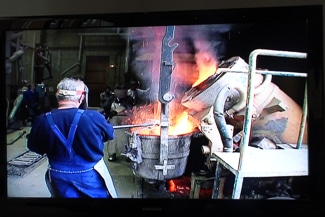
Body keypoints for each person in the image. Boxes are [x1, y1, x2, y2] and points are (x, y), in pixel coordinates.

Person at [27, 77, 118, 198]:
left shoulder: (42, 120)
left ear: (57, 96)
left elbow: (34, 147)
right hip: (89, 175)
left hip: (57, 174)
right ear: (81, 97)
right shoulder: (94, 117)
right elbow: (110, 135)